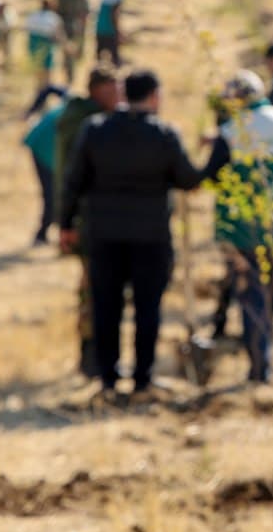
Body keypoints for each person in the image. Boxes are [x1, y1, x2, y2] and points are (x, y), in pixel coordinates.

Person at [61, 69, 227, 401]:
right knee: (147, 309)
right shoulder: (163, 135)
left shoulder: (95, 131)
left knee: (106, 307)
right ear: (153, 96)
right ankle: (141, 379)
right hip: (150, 238)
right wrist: (219, 153)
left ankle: (108, 379)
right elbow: (189, 180)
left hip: (104, 235)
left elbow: (73, 181)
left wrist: (65, 224)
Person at [210, 70, 273, 381]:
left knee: (253, 297)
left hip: (248, 228)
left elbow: (214, 176)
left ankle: (259, 370)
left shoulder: (231, 131)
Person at [55, 68, 121, 379]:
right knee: (92, 289)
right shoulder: (86, 125)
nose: (116, 99)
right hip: (88, 219)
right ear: (96, 91)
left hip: (96, 218)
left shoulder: (86, 120)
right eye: (111, 92)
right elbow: (72, 178)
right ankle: (91, 356)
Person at [23, 92, 66, 245]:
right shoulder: (85, 111)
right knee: (51, 194)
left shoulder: (77, 100)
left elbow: (51, 88)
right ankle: (42, 234)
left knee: (55, 193)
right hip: (43, 147)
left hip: (43, 143)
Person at [55, 0, 90, 82]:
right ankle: (70, 75)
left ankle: (70, 76)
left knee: (70, 50)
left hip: (70, 24)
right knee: (70, 51)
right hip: (72, 23)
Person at [25, 0, 64, 89]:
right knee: (47, 72)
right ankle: (45, 91)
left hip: (33, 44)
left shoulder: (33, 16)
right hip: (46, 45)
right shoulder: (53, 18)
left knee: (38, 70)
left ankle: (39, 89)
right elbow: (59, 35)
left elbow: (28, 30)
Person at [94, 0, 127, 65]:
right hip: (109, 30)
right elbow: (114, 16)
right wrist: (118, 31)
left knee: (99, 56)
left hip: (100, 29)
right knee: (114, 57)